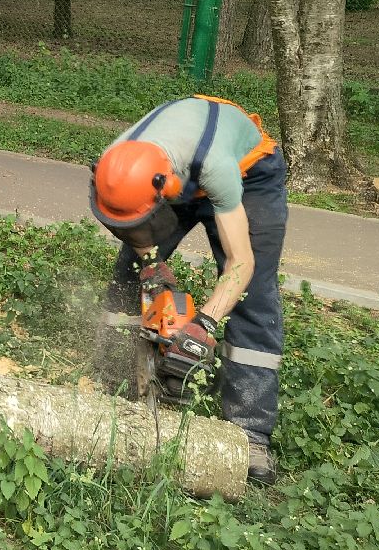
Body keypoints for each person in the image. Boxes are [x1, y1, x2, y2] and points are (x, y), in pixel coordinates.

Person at [89, 94, 286, 485]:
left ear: (165, 188)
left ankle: (249, 433)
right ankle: (113, 383)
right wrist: (150, 263)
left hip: (248, 174)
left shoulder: (216, 167)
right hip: (172, 176)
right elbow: (127, 222)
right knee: (129, 274)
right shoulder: (115, 165)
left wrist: (205, 323)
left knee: (254, 295)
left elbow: (240, 263)